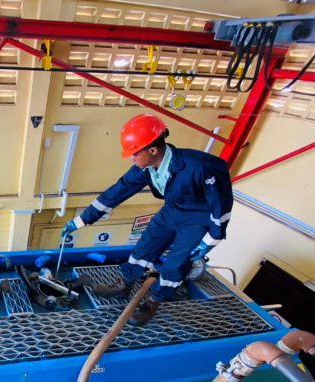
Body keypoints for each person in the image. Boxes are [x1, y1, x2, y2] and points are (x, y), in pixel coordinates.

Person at [61, 114, 233, 326]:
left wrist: (211, 239)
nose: (131, 158)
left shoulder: (200, 166)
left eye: (134, 153)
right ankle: (123, 285)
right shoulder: (146, 168)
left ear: (152, 150)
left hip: (197, 218)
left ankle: (154, 300)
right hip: (171, 210)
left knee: (176, 264)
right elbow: (117, 191)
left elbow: (221, 203)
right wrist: (81, 221)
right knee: (143, 248)